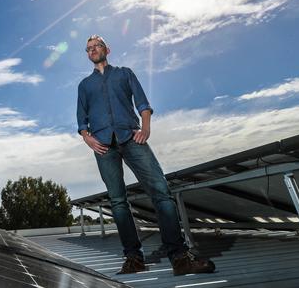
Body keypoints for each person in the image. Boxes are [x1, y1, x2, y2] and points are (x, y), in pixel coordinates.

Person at [76, 34, 215, 276]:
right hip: (103, 147)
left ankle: (180, 257)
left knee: (161, 192)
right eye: (88, 49)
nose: (93, 50)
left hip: (131, 138)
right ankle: (133, 258)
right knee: (118, 202)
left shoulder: (124, 73)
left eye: (97, 45)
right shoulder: (84, 85)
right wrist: (88, 139)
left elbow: (142, 103)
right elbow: (81, 120)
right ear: (87, 54)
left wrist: (145, 128)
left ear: (107, 49)